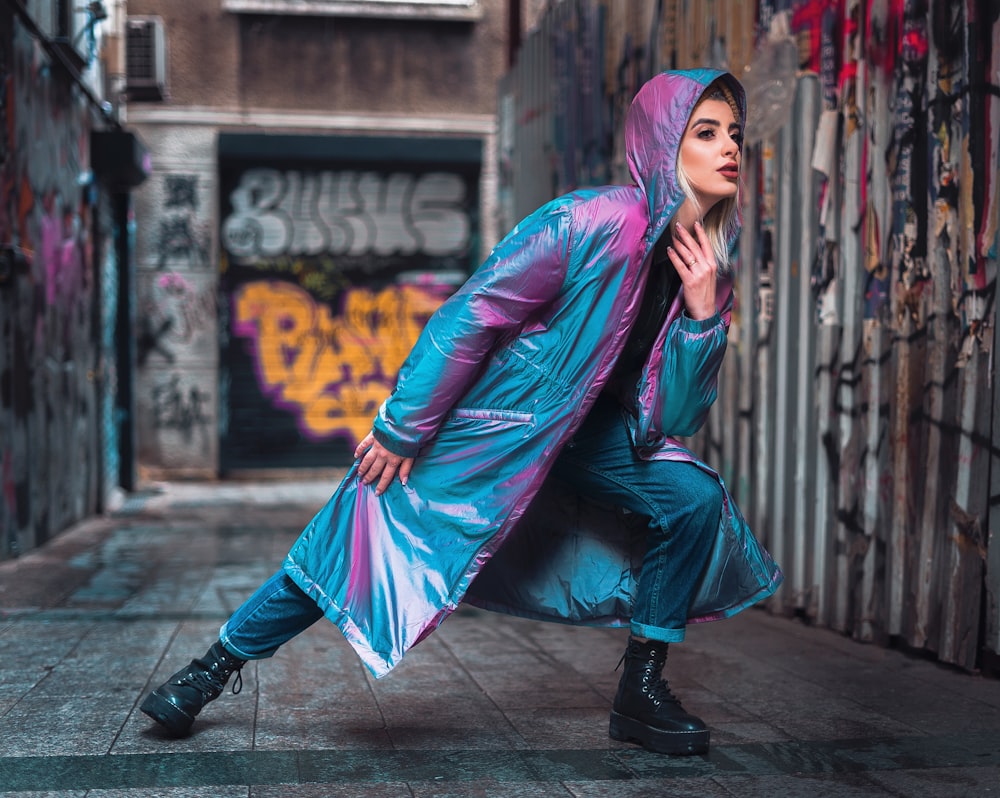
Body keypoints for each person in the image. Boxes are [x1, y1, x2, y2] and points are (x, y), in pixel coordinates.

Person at [140, 68, 782, 756]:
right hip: (500, 426)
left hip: (591, 437)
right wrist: (404, 425)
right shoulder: (588, 222)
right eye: (706, 132)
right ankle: (209, 671)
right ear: (662, 143)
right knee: (360, 527)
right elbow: (474, 312)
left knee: (692, 499)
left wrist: (703, 317)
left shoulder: (707, 268)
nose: (729, 149)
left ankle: (642, 691)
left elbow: (676, 415)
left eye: (735, 135)